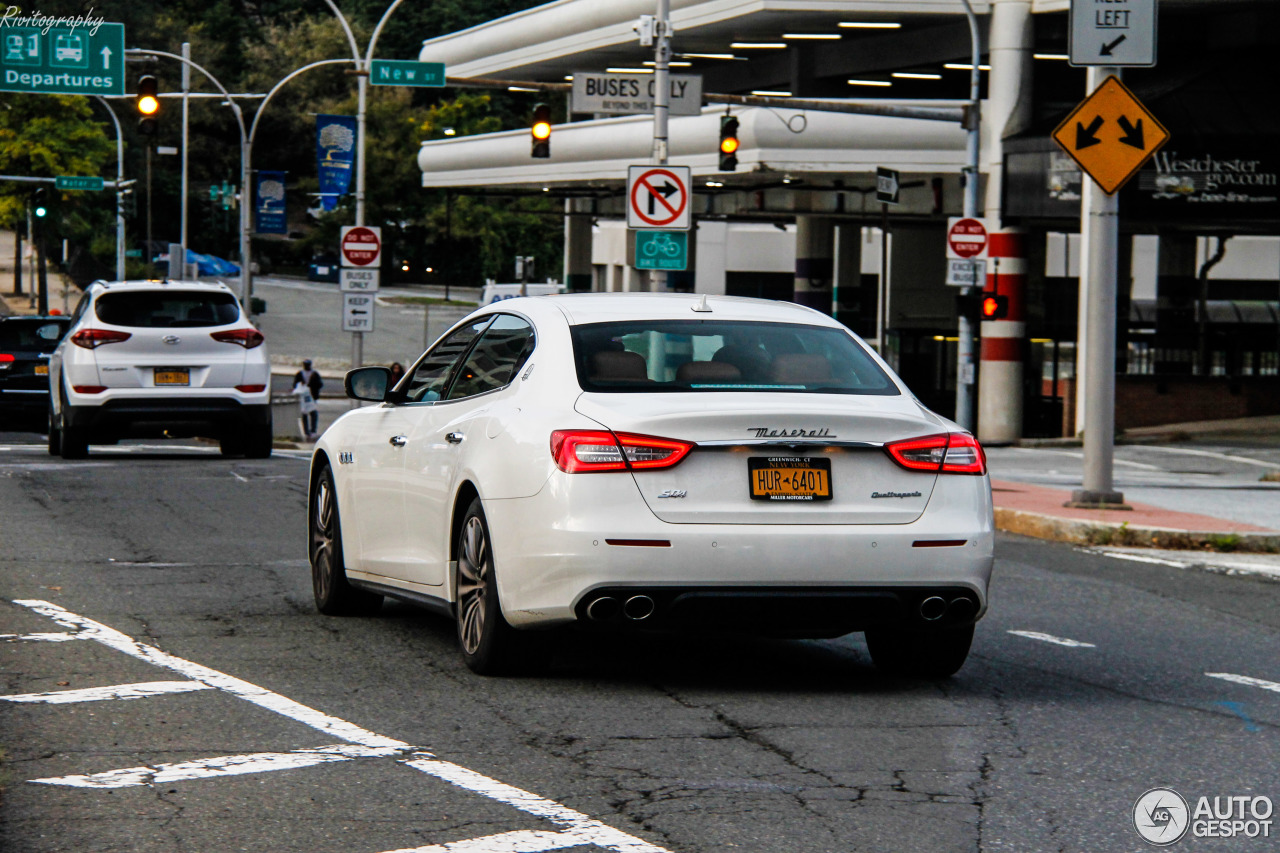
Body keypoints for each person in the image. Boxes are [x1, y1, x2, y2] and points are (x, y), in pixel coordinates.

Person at [292, 359, 323, 441]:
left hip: (312, 397)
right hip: (303, 398)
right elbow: (295, 384)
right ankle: (307, 432)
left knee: (313, 413)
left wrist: (312, 385)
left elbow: (320, 384)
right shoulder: (300, 374)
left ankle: (313, 431)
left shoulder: (314, 374)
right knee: (305, 414)